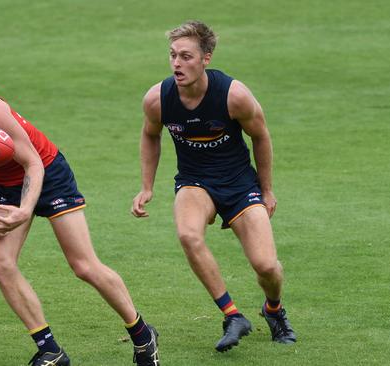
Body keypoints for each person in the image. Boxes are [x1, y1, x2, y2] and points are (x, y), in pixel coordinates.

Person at [0, 40, 159, 366]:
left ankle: (142, 334)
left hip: (48, 171)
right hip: (3, 183)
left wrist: (26, 210)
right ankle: (50, 349)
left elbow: (32, 163)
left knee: (83, 265)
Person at [131, 20, 297, 353]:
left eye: (186, 56)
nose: (177, 64)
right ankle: (232, 315)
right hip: (195, 182)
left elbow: (261, 137)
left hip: (239, 184)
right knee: (188, 235)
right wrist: (146, 186)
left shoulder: (234, 95)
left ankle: (273, 309)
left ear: (206, 58)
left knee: (266, 266)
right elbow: (150, 134)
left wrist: (267, 190)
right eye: (173, 55)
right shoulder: (158, 99)